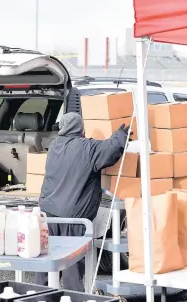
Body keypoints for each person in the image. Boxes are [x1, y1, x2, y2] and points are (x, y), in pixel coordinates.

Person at [35, 112, 129, 291]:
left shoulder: (55, 145)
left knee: (46, 265)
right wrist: (121, 135)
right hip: (74, 219)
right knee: (72, 269)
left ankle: (39, 297)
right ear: (80, 129)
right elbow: (110, 150)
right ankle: (74, 297)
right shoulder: (86, 148)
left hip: (49, 216)